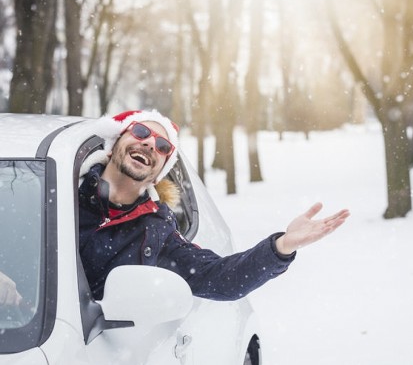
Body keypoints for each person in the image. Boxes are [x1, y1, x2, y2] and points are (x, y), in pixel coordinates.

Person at [79, 110, 350, 300]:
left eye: (163, 146)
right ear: (113, 146)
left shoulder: (155, 234)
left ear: (158, 173)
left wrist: (281, 247)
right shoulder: (61, 193)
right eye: (140, 132)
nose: (150, 143)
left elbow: (222, 278)